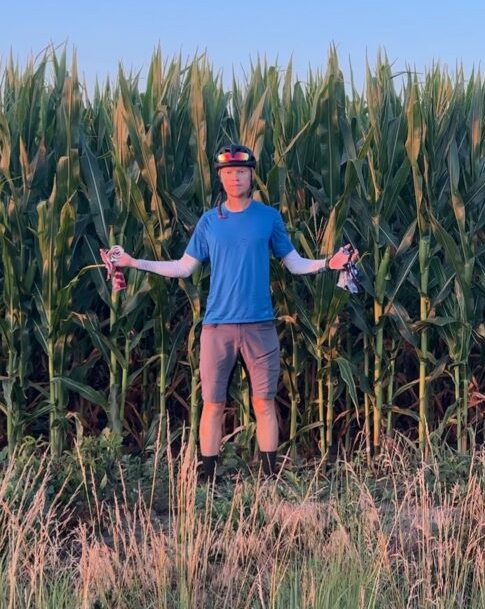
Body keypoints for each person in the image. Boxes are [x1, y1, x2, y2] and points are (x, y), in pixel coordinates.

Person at [113, 143, 357, 480]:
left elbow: (295, 263)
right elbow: (184, 268)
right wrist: (133, 262)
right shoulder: (209, 222)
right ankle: (207, 481)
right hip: (217, 328)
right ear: (221, 178)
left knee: (264, 403)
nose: (235, 177)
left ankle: (269, 480)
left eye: (241, 172)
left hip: (260, 326)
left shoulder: (268, 218)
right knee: (212, 405)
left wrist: (329, 263)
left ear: (251, 175)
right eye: (228, 172)